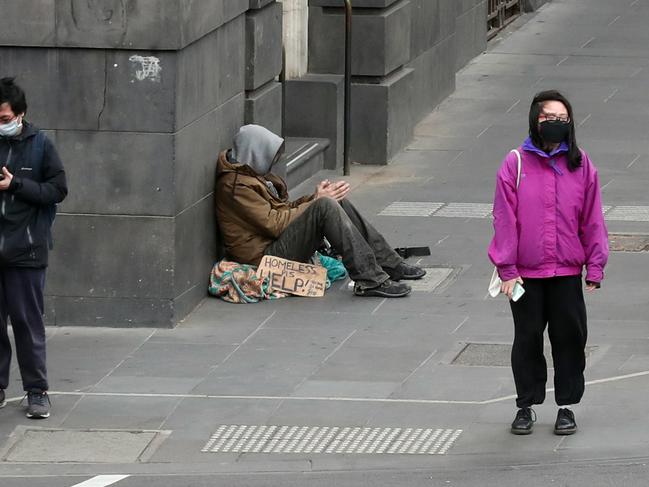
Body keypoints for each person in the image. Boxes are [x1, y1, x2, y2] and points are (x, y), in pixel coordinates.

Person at [488, 90, 608, 436]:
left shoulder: (582, 164)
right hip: (526, 273)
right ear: (534, 121)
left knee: (569, 338)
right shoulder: (515, 163)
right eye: (548, 118)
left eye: (561, 118)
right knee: (527, 339)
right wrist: (506, 268)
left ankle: (566, 406)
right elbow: (504, 218)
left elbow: (593, 218)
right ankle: (525, 406)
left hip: (568, 270)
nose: (555, 124)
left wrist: (595, 266)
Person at [214, 124, 426, 298]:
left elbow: (281, 211)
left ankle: (389, 263)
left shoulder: (249, 174)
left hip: (273, 243)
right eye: (269, 156)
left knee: (335, 201)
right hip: (263, 258)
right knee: (325, 205)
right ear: (254, 153)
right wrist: (317, 201)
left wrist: (314, 197)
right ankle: (370, 280)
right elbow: (274, 225)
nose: (273, 163)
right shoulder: (235, 187)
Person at [0, 78, 68, 418]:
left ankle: (37, 391)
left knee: (27, 324)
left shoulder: (40, 145)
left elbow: (57, 190)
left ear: (20, 115)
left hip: (26, 251)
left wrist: (16, 185)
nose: (1, 124)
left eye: (4, 117)